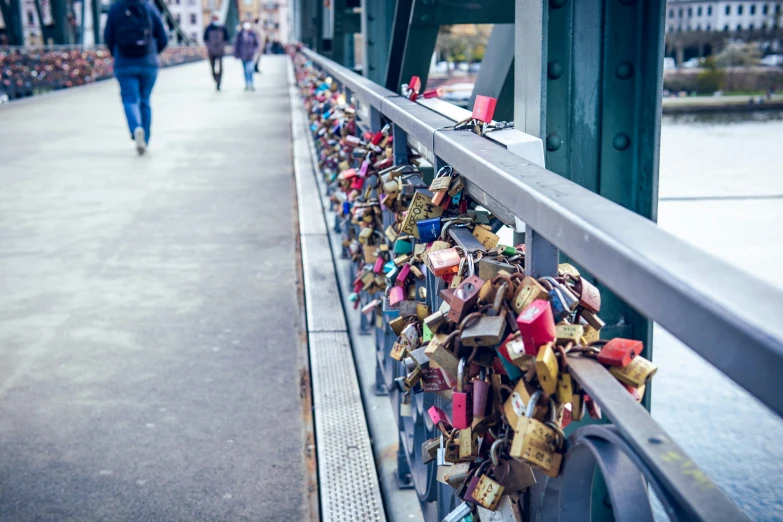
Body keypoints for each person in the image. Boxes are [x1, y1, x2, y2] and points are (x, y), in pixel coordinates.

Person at [104, 0, 167, 155]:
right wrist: (152, 53)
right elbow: (163, 37)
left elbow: (107, 37)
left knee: (130, 99)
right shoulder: (149, 7)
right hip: (148, 62)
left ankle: (136, 128)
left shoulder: (115, 8)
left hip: (124, 62)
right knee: (145, 100)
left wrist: (116, 54)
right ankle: (145, 139)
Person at [204, 13, 229, 91]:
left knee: (220, 67)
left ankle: (219, 82)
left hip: (220, 51)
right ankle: (215, 78)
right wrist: (209, 47)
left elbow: (226, 39)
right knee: (212, 67)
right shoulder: (208, 28)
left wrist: (222, 46)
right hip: (211, 51)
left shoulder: (223, 28)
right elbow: (205, 39)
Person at [234, 21, 259, 91]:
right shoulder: (240, 34)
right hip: (243, 55)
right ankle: (247, 84)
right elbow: (237, 45)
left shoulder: (253, 34)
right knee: (245, 71)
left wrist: (255, 52)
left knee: (250, 70)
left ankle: (251, 83)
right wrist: (236, 55)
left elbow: (257, 44)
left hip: (251, 55)